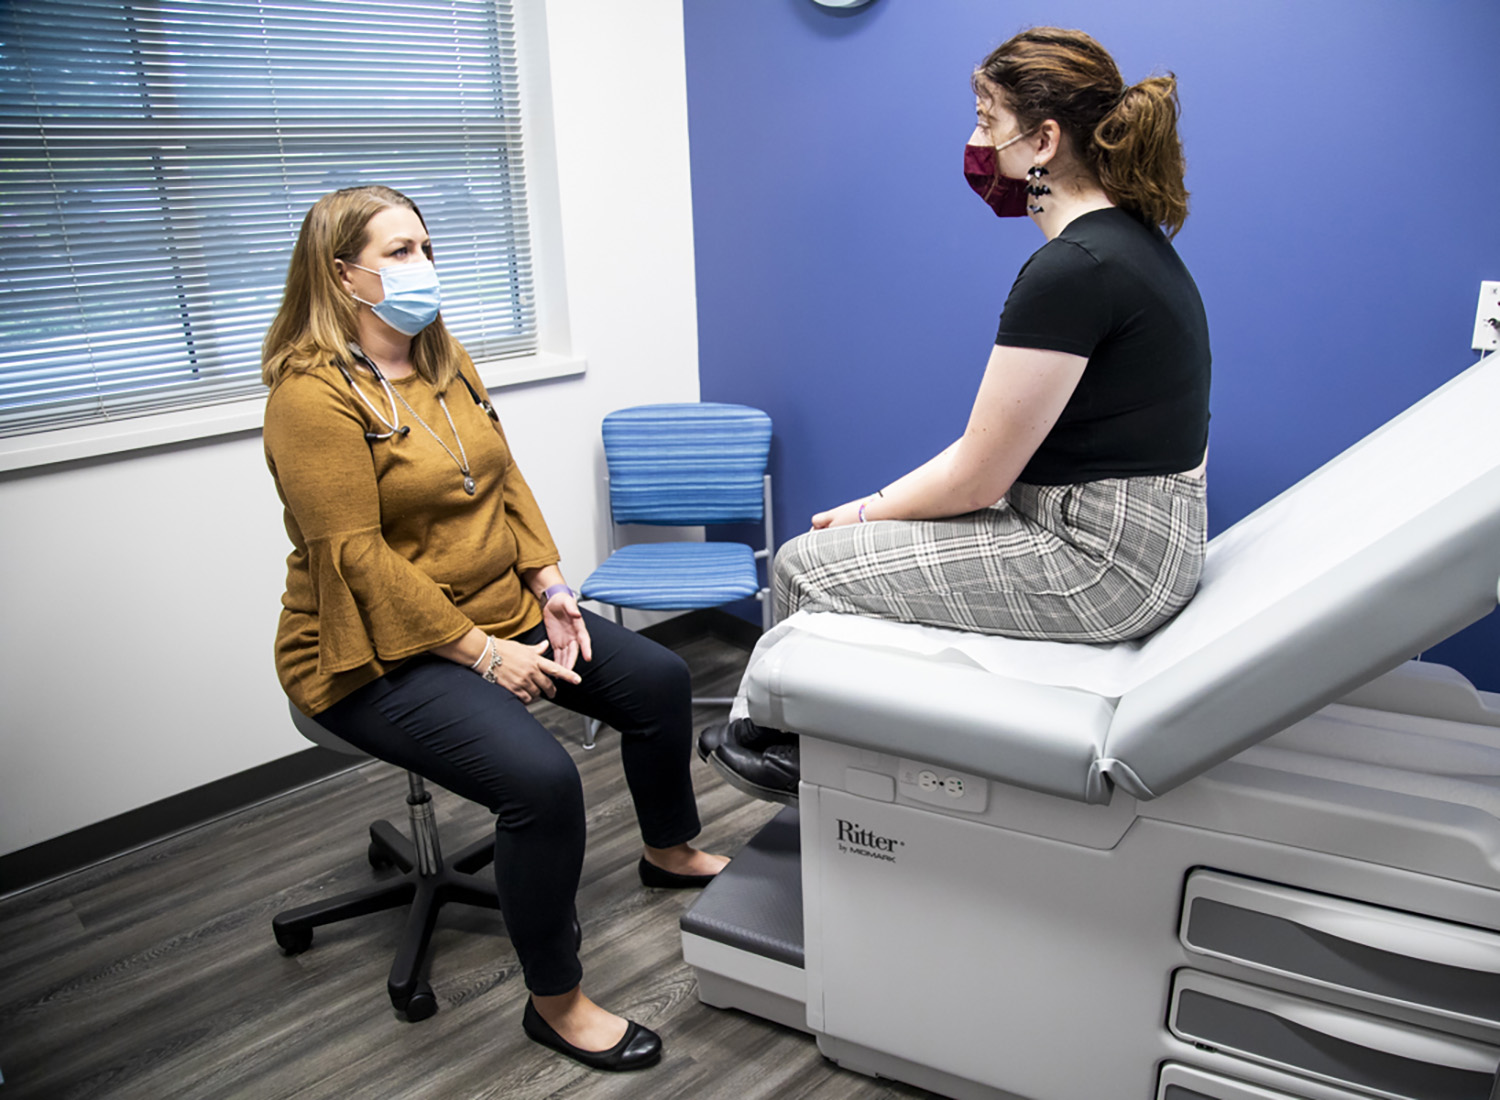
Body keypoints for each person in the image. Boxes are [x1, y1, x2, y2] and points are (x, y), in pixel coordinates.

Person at [261, 185, 727, 1071]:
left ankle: (668, 851)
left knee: (659, 683)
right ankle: (557, 1003)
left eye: (424, 247)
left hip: (502, 610)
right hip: (371, 650)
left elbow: (503, 479)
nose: (422, 267)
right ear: (340, 273)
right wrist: (481, 653)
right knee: (542, 782)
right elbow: (356, 558)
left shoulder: (440, 357)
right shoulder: (310, 398)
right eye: (398, 253)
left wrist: (549, 583)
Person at [703, 27, 1211, 802]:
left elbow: (978, 476)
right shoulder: (1129, 243)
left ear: (1042, 140)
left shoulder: (1073, 269)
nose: (974, 143)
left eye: (985, 120)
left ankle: (795, 751)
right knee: (860, 542)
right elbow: (995, 457)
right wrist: (880, 515)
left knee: (803, 566)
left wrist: (866, 513)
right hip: (1134, 539)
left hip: (1100, 562)